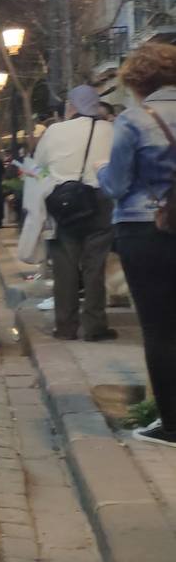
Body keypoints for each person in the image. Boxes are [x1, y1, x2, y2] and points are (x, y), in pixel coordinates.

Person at [98, 43, 176, 447]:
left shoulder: (133, 120)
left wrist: (99, 172)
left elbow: (117, 183)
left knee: (159, 329)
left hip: (145, 227)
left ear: (138, 81)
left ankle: (171, 424)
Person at [36, 85, 116, 342]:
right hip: (100, 201)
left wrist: (55, 181)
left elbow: (38, 168)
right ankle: (95, 326)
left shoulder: (54, 131)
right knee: (95, 266)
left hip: (64, 204)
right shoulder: (111, 130)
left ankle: (66, 326)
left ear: (71, 106)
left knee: (65, 267)